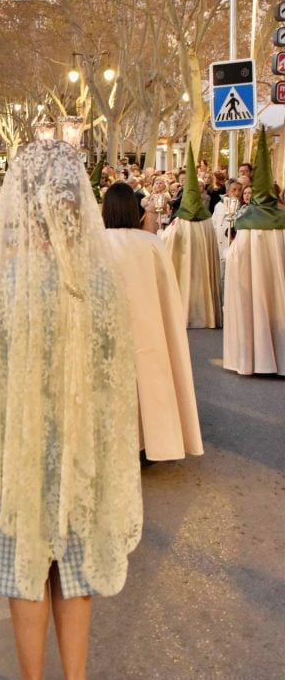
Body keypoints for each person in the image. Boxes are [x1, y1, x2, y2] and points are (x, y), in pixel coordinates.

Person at [0, 140, 142, 680]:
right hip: (82, 445)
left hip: (21, 447)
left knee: (26, 567)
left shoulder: (3, 283)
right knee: (76, 568)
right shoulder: (100, 283)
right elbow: (119, 365)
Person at [102, 182, 204, 461]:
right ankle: (153, 442)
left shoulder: (94, 243)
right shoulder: (151, 244)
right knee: (150, 383)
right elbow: (167, 294)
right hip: (149, 329)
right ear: (137, 212)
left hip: (106, 329)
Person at [224, 127, 285, 375]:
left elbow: (235, 258)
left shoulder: (246, 223)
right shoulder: (282, 220)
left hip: (251, 287)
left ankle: (253, 359)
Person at [162, 144, 222, 329]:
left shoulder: (180, 222)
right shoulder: (206, 220)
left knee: (186, 282)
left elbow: (167, 241)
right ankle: (206, 314)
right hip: (202, 264)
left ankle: (185, 312)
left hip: (184, 260)